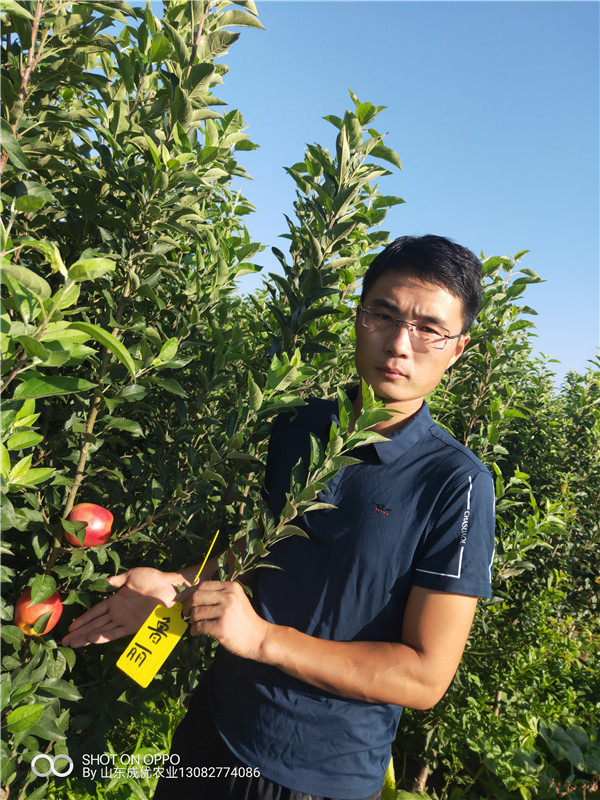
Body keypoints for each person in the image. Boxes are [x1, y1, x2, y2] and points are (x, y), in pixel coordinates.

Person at [62, 235, 496, 800]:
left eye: (429, 329)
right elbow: (264, 558)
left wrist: (264, 638)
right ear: (359, 317)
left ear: (457, 348)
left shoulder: (457, 483)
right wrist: (179, 586)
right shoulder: (299, 427)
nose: (400, 344)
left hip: (321, 776)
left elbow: (424, 675)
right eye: (383, 315)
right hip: (214, 734)